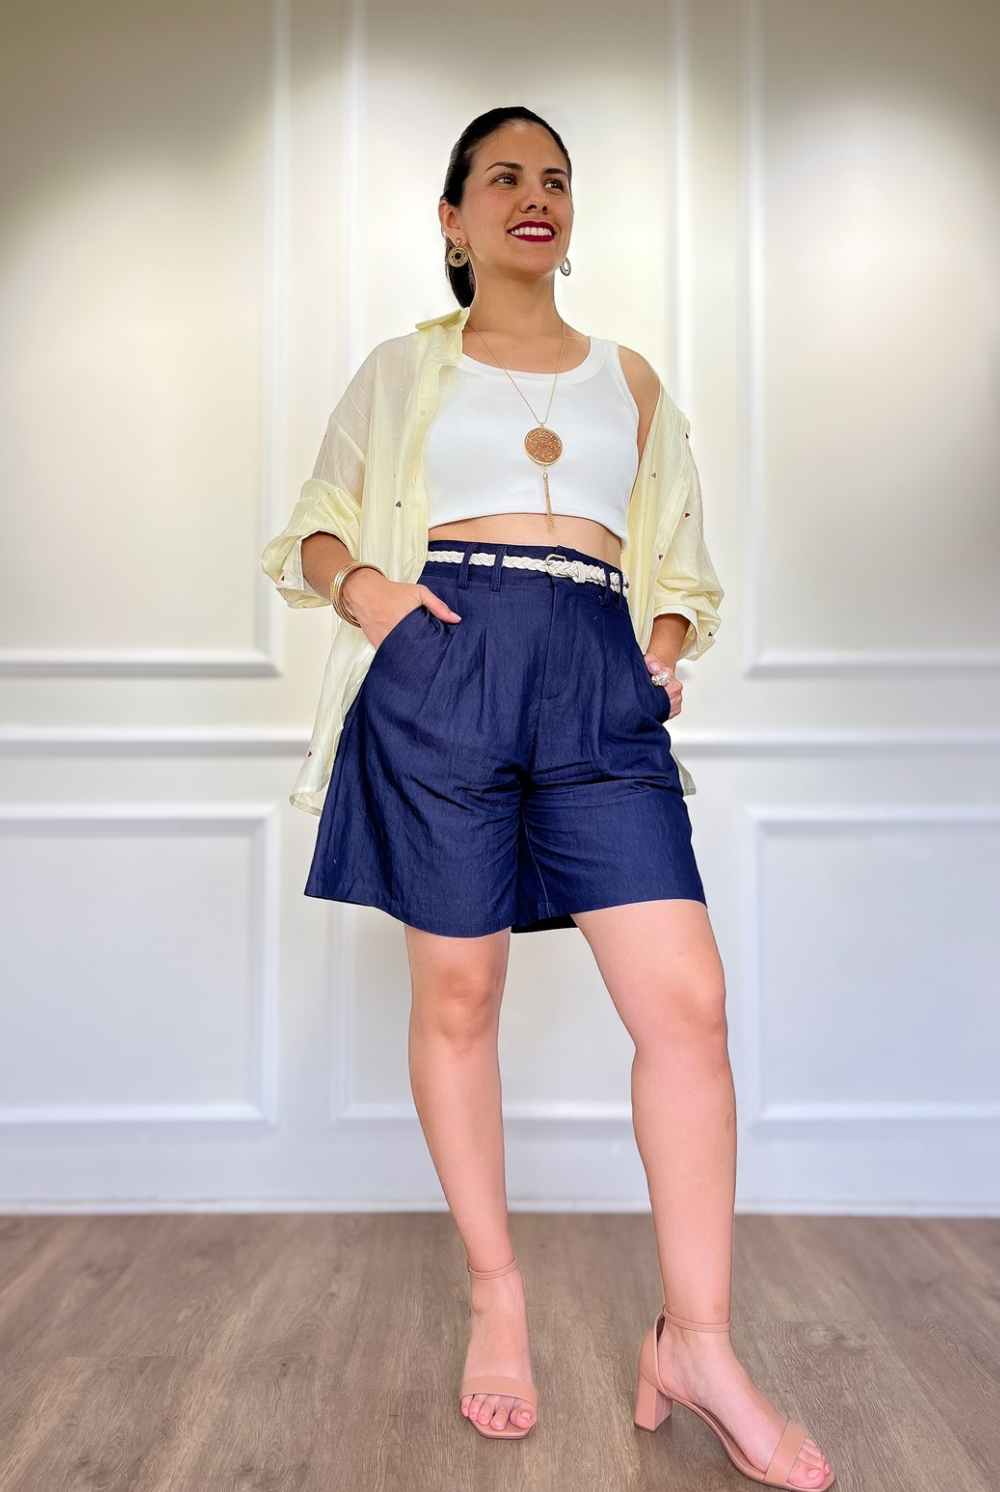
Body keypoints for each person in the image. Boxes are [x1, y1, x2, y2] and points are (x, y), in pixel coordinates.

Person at [262, 107, 835, 1488]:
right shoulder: (404, 371)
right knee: (460, 995)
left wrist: (662, 647)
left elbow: (679, 561)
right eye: (505, 178)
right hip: (444, 667)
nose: (537, 197)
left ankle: (697, 1342)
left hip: (594, 678)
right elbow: (315, 522)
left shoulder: (630, 379)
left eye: (557, 180)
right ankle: (496, 1296)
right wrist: (369, 593)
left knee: (686, 1004)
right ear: (453, 221)